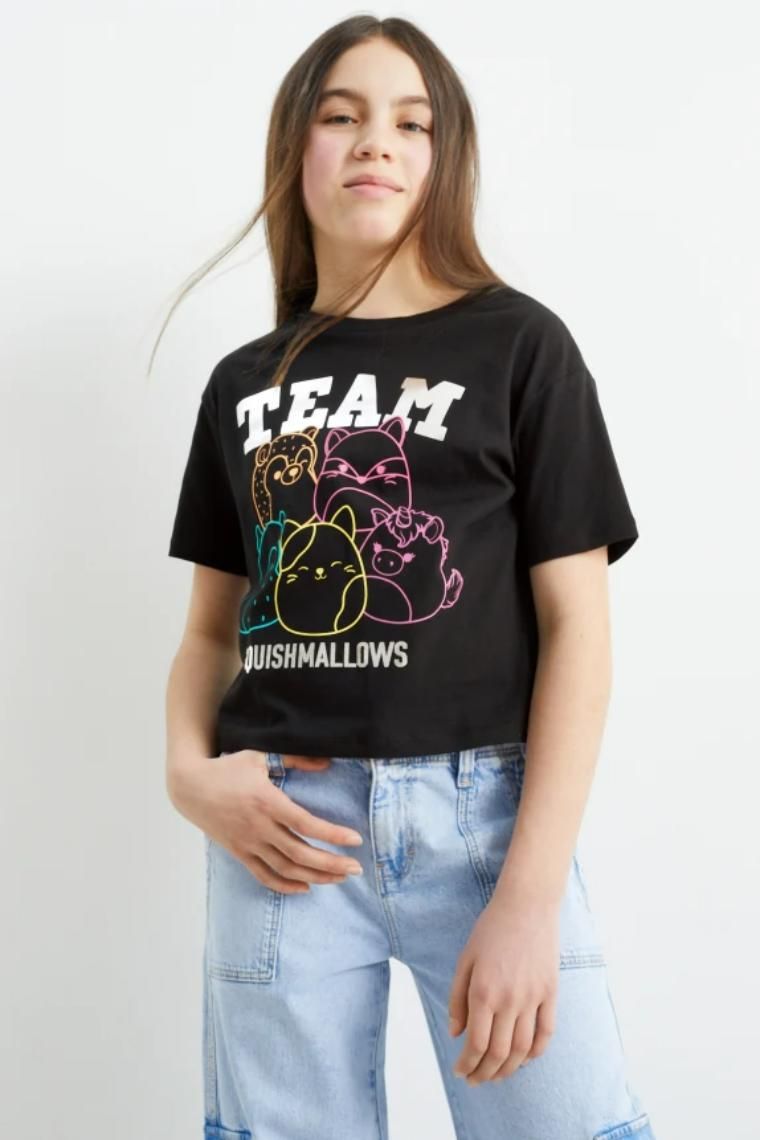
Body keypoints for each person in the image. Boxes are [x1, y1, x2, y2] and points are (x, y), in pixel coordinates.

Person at [162, 15, 658, 1140]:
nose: (374, 141)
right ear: (295, 149)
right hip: (280, 826)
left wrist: (529, 896)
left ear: (446, 158)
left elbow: (579, 629)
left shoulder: (520, 347)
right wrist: (188, 775)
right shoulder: (243, 383)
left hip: (484, 824)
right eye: (340, 115)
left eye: (411, 122)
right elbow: (209, 634)